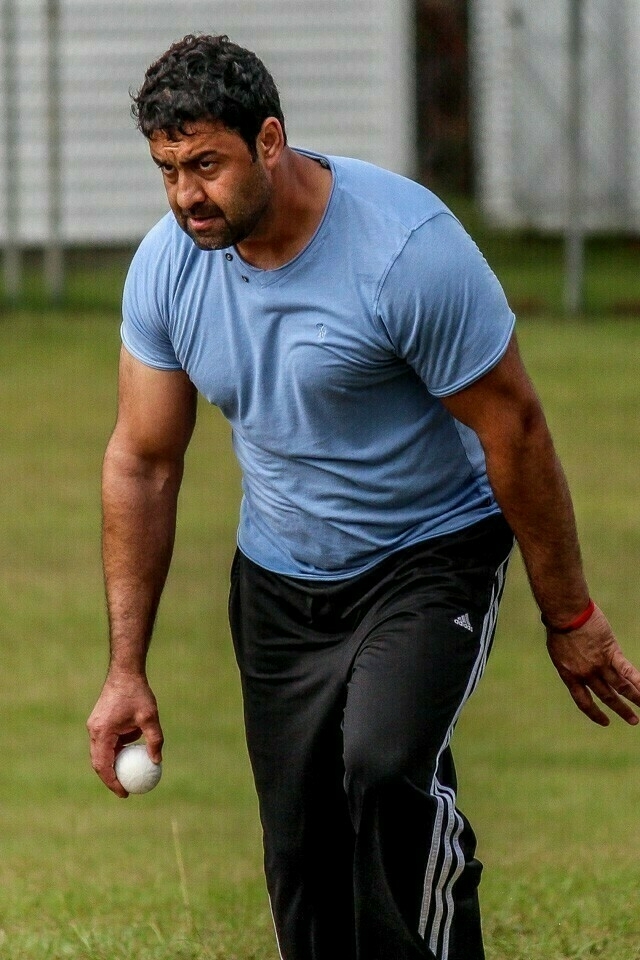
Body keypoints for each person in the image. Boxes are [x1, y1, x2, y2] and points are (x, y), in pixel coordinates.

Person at [87, 33, 640, 960]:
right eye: (169, 170)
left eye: (206, 164)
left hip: (431, 556)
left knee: (384, 768)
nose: (187, 195)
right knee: (302, 860)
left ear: (269, 141)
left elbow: (517, 430)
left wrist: (570, 613)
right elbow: (143, 464)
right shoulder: (169, 267)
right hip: (281, 577)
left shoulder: (405, 252)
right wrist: (126, 669)